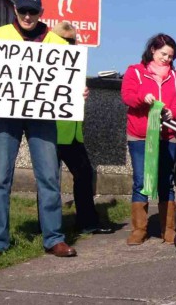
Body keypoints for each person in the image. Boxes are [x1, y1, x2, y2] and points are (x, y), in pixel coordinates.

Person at [0, 0, 77, 259]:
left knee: (49, 176)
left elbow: (67, 79)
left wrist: (76, 90)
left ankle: (53, 238)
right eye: (22, 11)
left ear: (42, 13)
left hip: (42, 117)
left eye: (33, 11)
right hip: (4, 115)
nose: (27, 16)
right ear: (15, 10)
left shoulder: (57, 42)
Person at [121, 33, 176, 245]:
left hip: (168, 136)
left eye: (170, 56)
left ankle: (168, 228)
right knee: (141, 181)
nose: (166, 59)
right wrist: (142, 99)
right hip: (140, 136)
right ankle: (139, 229)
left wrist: (174, 113)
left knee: (166, 182)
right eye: (163, 54)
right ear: (152, 50)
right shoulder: (135, 71)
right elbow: (127, 95)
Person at [51, 21, 113, 235]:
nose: (69, 44)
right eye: (64, 40)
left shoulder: (74, 64)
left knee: (84, 173)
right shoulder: (49, 61)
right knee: (50, 179)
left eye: (71, 40)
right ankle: (49, 226)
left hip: (71, 131)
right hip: (50, 131)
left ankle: (86, 222)